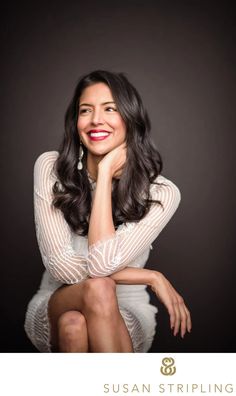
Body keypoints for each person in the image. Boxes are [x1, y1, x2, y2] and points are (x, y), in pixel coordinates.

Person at [24, 70, 191, 353]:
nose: (96, 120)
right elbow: (61, 269)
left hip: (126, 311)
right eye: (85, 110)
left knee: (74, 325)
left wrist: (104, 174)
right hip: (56, 301)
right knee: (95, 291)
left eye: (110, 109)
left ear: (130, 119)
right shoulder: (50, 168)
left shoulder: (161, 192)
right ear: (75, 122)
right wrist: (150, 276)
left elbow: (101, 268)